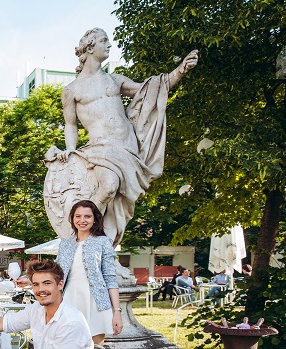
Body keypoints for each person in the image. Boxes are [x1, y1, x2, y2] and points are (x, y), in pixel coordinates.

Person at [44, 28, 198, 245]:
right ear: (89, 47)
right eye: (104, 41)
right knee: (108, 187)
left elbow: (150, 90)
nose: (109, 45)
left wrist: (180, 71)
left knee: (117, 202)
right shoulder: (72, 89)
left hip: (127, 146)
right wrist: (70, 149)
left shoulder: (114, 79)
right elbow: (71, 125)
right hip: (99, 148)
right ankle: (82, 240)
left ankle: (103, 244)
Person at [49, 200, 122, 349]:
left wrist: (116, 311)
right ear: (72, 219)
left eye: (87, 216)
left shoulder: (102, 242)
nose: (82, 220)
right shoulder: (66, 244)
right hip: (70, 300)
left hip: (95, 301)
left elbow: (110, 277)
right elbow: (57, 274)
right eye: (78, 216)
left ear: (94, 219)